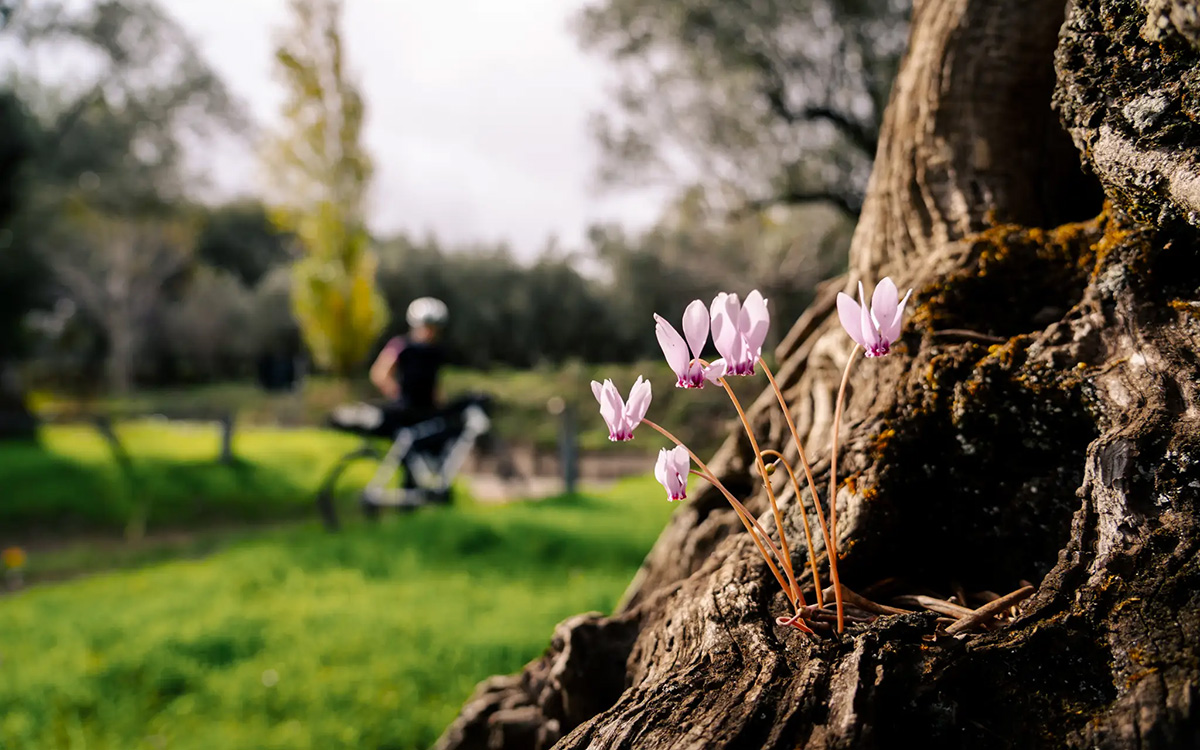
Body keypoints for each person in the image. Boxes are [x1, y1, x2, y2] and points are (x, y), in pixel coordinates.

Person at [370, 297, 447, 413]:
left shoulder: (435, 351)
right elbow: (379, 374)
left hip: (427, 409)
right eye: (427, 326)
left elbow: (435, 384)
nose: (430, 332)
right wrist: (397, 394)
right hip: (404, 408)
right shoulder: (400, 345)